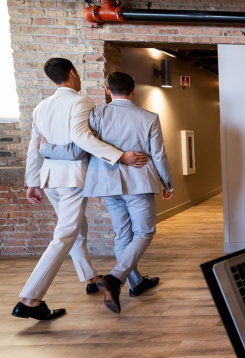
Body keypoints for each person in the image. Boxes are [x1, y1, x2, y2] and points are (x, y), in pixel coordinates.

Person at [11, 58, 145, 321]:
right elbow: (82, 138)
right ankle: (30, 299)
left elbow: (34, 147)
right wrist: (120, 156)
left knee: (77, 229)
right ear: (72, 74)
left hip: (50, 178)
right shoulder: (81, 101)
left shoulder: (40, 107)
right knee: (65, 234)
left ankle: (90, 277)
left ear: (51, 79)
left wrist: (33, 182)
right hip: (72, 178)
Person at [40, 72, 174, 314]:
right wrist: (167, 183)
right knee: (144, 231)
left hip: (107, 183)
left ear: (108, 90)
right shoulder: (149, 117)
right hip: (138, 183)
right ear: (134, 90)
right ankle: (115, 278)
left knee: (123, 233)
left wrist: (46, 149)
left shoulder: (97, 115)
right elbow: (158, 154)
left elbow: (78, 147)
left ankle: (136, 283)